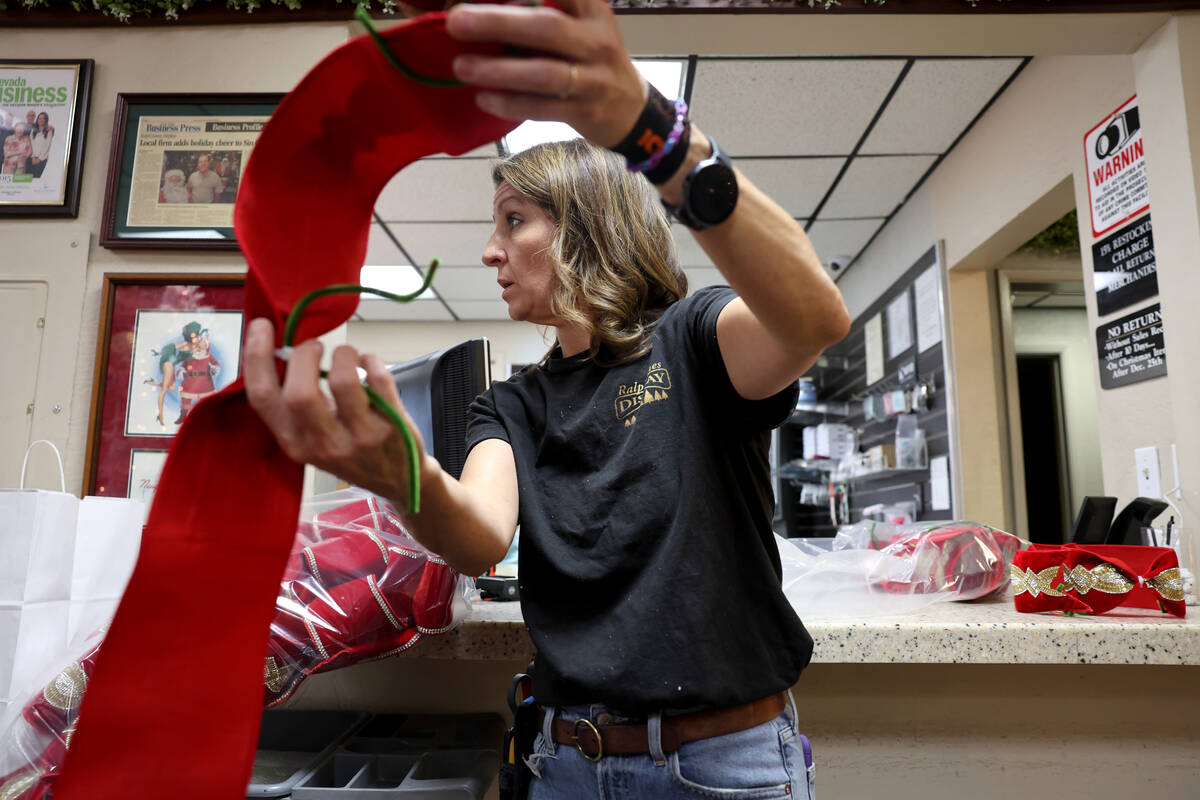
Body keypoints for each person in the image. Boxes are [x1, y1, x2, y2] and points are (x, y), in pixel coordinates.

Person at [244, 1, 848, 797]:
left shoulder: (693, 340)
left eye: (514, 220)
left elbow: (814, 318)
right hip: (566, 763)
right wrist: (403, 475)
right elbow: (479, 537)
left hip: (719, 765)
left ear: (587, 226)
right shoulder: (512, 404)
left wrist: (658, 136)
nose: (491, 250)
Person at [28, 112, 53, 179]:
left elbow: (47, 146)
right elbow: (30, 144)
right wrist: (33, 157)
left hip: (42, 159)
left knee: (36, 178)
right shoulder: (33, 130)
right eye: (39, 118)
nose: (41, 120)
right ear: (37, 119)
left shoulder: (49, 131)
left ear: (46, 120)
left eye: (43, 118)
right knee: (29, 179)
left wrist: (39, 159)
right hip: (32, 158)